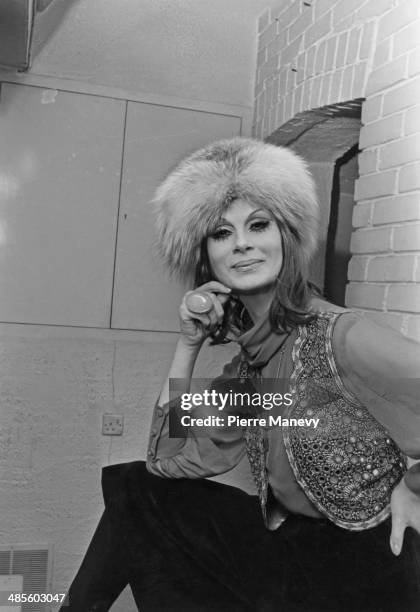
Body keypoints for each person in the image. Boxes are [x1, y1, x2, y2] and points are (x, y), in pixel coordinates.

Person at [60, 138, 420, 612]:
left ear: (285, 238)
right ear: (205, 258)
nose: (243, 243)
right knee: (138, 492)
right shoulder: (255, 365)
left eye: (257, 225)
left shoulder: (340, 336)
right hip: (293, 557)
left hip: (368, 572)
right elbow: (173, 459)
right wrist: (187, 346)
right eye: (221, 233)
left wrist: (412, 486)